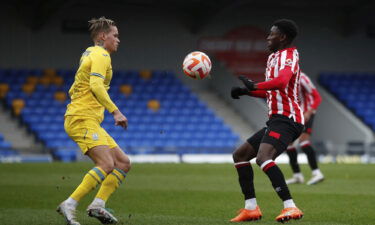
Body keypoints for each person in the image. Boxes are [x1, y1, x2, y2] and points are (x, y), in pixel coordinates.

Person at [57, 17, 131, 225]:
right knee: (106, 163)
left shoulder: (90, 52)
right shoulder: (101, 55)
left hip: (88, 119)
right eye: (115, 36)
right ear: (102, 36)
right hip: (81, 117)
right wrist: (115, 112)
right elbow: (96, 86)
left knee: (123, 163)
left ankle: (98, 205)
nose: (118, 40)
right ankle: (70, 204)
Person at [230, 19, 304, 223]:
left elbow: (281, 82)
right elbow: (271, 91)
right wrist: (247, 91)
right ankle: (251, 208)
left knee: (263, 157)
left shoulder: (289, 55)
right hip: (276, 119)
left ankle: (291, 207)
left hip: (288, 119)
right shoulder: (273, 58)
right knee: (241, 155)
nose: (267, 37)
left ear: (282, 37)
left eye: (271, 34)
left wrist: (254, 86)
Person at [285, 71, 324, 185]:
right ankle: (297, 175)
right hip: (295, 114)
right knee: (289, 143)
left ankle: (317, 173)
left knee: (303, 141)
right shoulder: (285, 77)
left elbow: (317, 98)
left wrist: (308, 112)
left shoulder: (302, 78)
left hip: (306, 113)